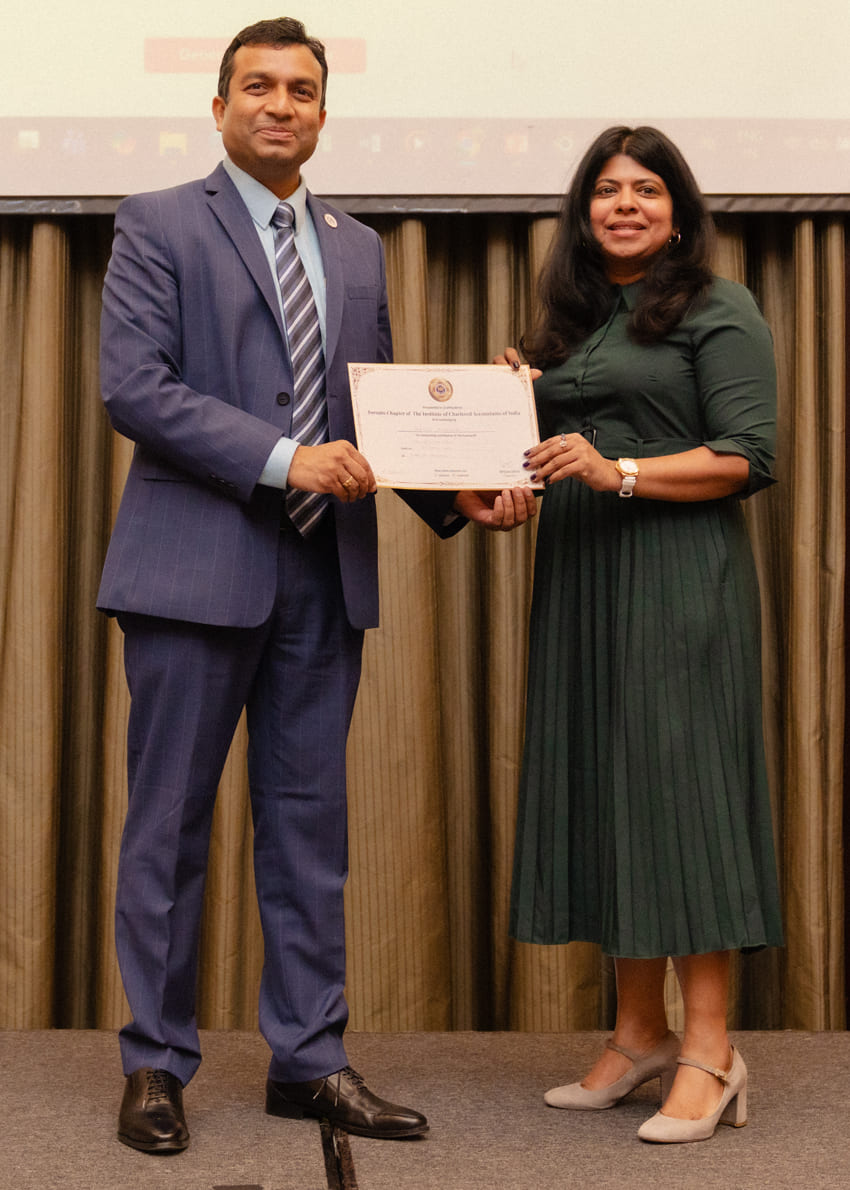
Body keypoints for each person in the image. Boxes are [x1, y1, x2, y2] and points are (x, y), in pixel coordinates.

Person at [99, 16, 535, 1156]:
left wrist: (463, 490)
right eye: (257, 86)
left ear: (324, 115)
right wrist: (284, 458)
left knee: (308, 831)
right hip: (192, 572)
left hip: (321, 578)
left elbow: (368, 413)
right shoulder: (156, 223)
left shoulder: (358, 247)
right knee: (168, 829)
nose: (279, 104)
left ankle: (308, 1060)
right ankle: (156, 1061)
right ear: (219, 106)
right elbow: (135, 386)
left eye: (299, 89)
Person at [498, 125, 782, 1144]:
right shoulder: (569, 326)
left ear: (678, 212)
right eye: (607, 190)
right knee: (607, 794)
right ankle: (638, 1034)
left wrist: (614, 469)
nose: (625, 205)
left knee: (681, 800)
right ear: (582, 214)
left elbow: (747, 456)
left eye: (647, 189)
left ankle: (710, 1048)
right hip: (583, 578)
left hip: (677, 577)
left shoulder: (718, 306)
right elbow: (540, 455)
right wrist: (501, 447)